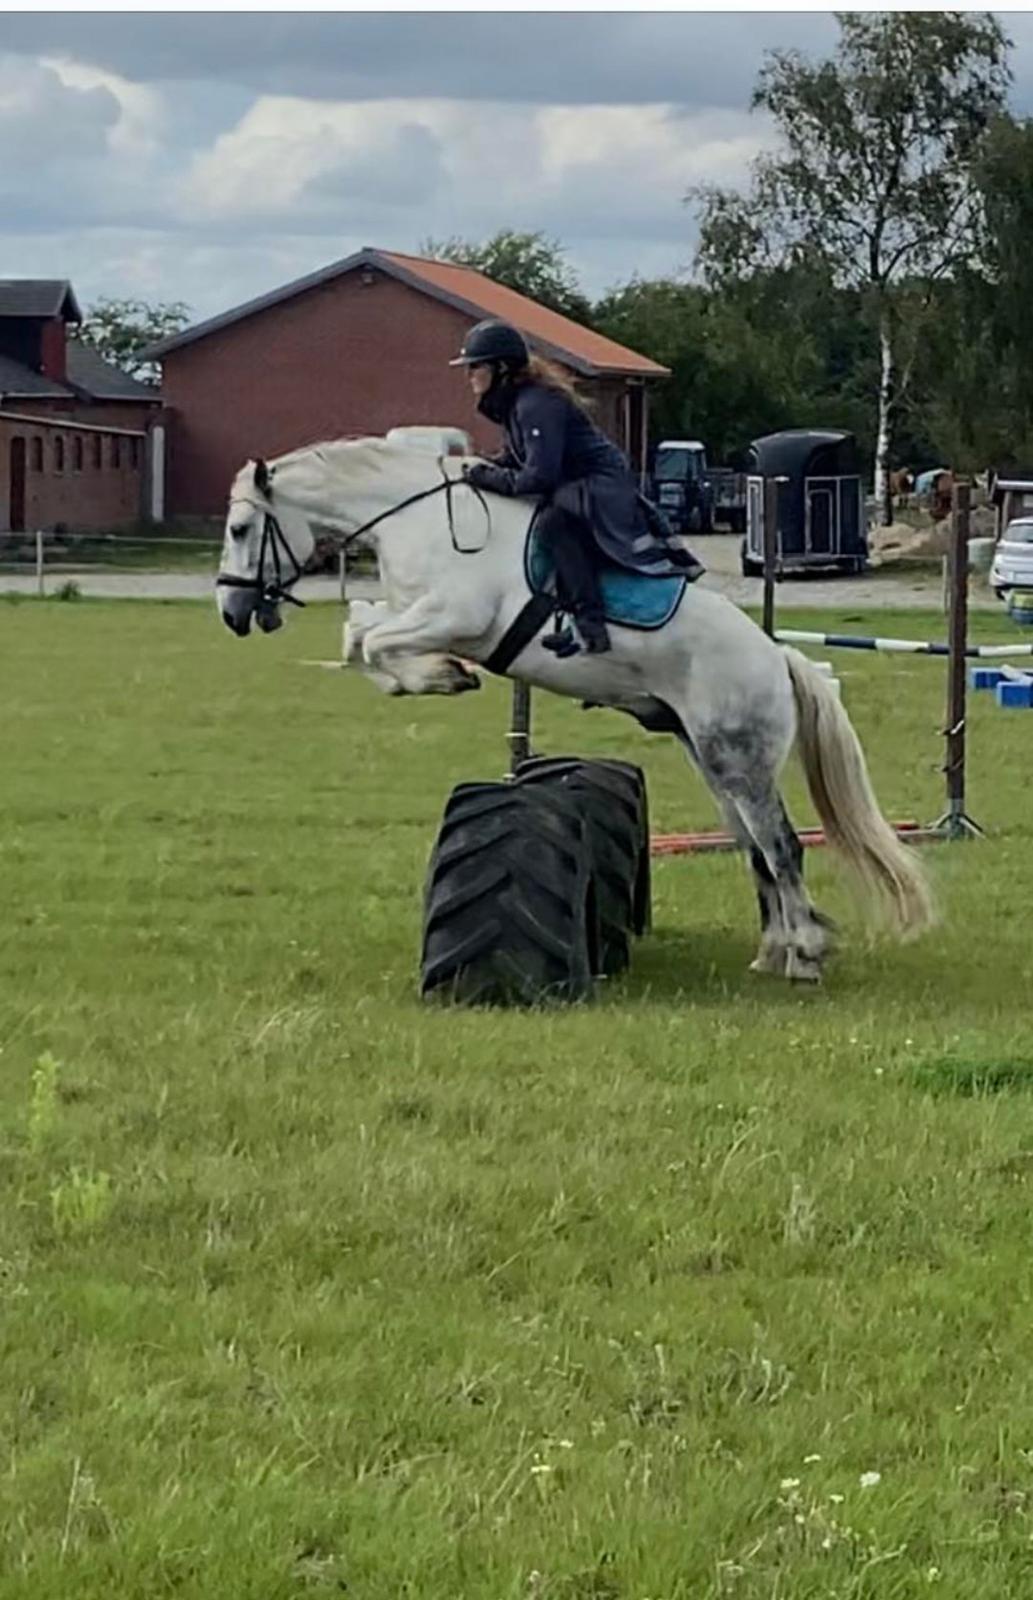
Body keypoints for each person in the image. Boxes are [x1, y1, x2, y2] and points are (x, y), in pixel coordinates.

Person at [450, 318, 703, 657]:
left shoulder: (536, 404)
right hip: (579, 484)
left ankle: (590, 622)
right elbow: (515, 458)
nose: (468, 375)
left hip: (600, 485)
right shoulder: (516, 405)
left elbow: (539, 477)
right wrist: (483, 466)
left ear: (501, 368)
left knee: (555, 521)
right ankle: (569, 614)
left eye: (475, 367)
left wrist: (488, 478)